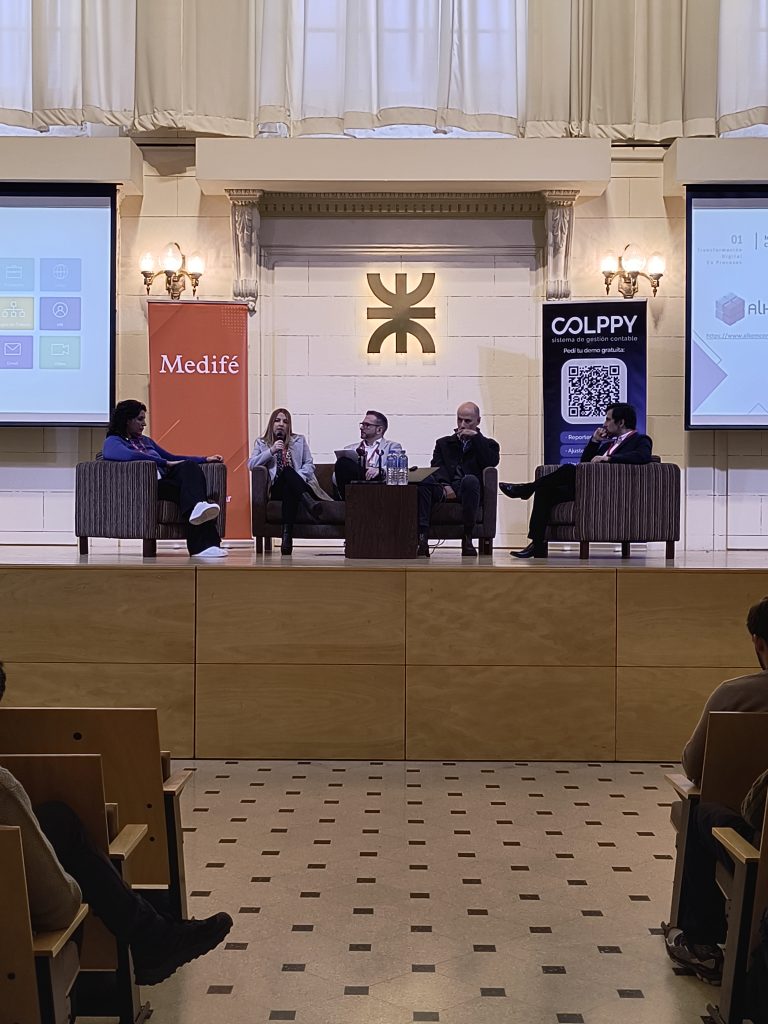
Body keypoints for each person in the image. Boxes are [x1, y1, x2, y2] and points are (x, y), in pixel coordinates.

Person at [0, 660, 233, 988]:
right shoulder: (4, 789)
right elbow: (60, 909)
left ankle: (154, 930)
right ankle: (153, 936)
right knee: (77, 858)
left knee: (58, 820)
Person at [663, 597, 768, 982]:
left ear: (758, 642)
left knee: (700, 810)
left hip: (758, 843)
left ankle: (701, 941)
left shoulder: (733, 694)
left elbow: (693, 766)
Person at [499, 402, 652, 558]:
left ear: (621, 422)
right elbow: (585, 463)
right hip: (587, 488)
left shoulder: (640, 440)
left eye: (608, 419)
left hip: (607, 491)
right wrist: (595, 441)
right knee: (544, 490)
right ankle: (537, 544)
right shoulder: (610, 443)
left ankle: (526, 489)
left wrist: (609, 458)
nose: (604, 424)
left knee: (568, 469)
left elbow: (643, 456)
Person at [102, 399, 226, 559]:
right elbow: (129, 455)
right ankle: (204, 546)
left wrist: (205, 459)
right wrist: (164, 463)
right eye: (140, 419)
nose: (144, 424)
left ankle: (200, 516)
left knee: (189, 468)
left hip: (167, 481)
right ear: (127, 420)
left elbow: (172, 457)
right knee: (192, 495)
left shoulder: (146, 441)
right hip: (149, 486)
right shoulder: (113, 441)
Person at [417, 402, 500, 557]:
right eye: (459, 420)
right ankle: (422, 538)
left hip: (468, 489)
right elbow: (437, 466)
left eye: (467, 421)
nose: (462, 425)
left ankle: (467, 537)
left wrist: (476, 439)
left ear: (478, 421)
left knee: (470, 480)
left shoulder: (489, 444)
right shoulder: (443, 443)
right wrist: (445, 485)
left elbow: (490, 462)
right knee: (423, 481)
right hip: (445, 487)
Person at [247, 407, 330, 555]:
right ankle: (309, 503)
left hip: (301, 485)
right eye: (277, 420)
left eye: (285, 422)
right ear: (271, 424)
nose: (281, 424)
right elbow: (251, 464)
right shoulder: (262, 443)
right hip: (276, 488)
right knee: (286, 473)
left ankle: (286, 538)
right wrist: (271, 451)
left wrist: (297, 478)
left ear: (289, 425)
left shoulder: (299, 440)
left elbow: (309, 464)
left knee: (289, 486)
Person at [333, 410, 401, 499]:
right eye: (362, 424)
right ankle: (350, 500)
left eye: (367, 425)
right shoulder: (350, 448)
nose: (362, 428)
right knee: (342, 463)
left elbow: (397, 469)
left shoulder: (392, 446)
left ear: (379, 430)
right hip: (356, 484)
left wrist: (380, 470)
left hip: (379, 486)